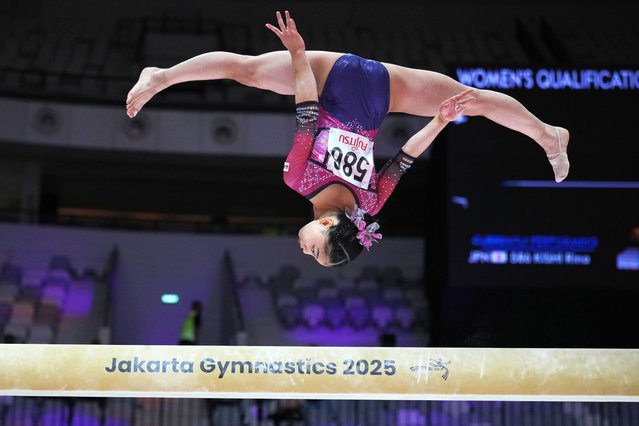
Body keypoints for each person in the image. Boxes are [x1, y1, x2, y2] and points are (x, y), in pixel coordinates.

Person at [126, 11, 570, 267]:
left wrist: (300, 55)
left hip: (339, 82)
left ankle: (549, 135)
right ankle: (161, 76)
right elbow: (402, 159)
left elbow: (308, 116)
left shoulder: (306, 184)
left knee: (247, 71)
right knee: (469, 100)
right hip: (366, 88)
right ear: (325, 226)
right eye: (316, 252)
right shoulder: (361, 204)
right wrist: (438, 121)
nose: (305, 251)